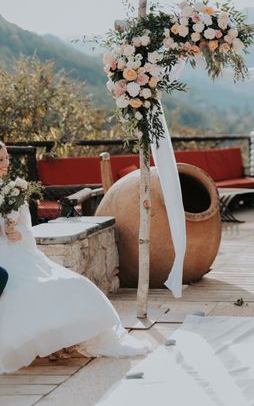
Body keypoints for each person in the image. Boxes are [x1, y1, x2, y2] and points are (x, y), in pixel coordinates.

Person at [0, 142, 150, 374]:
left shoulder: (15, 191)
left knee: (69, 283)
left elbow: (27, 231)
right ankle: (48, 344)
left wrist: (17, 233)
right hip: (3, 260)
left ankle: (66, 340)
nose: (5, 164)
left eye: (7, 158)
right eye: (1, 160)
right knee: (22, 291)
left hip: (21, 251)